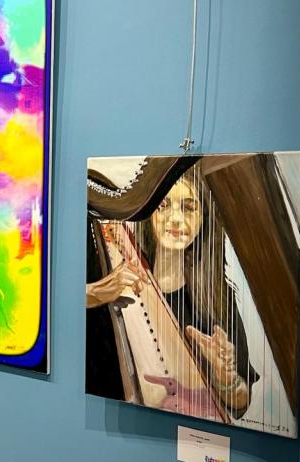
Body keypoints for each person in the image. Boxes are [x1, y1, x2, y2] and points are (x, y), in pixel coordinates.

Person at [86, 168, 258, 419]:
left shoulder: (218, 300)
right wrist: (94, 293)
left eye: (189, 208)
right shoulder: (112, 261)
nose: (176, 219)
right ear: (148, 214)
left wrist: (226, 377)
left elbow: (241, 403)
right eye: (163, 206)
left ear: (203, 220)